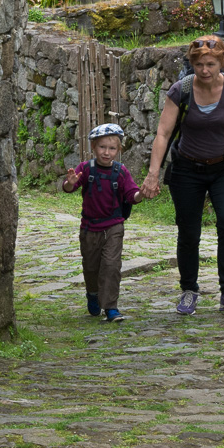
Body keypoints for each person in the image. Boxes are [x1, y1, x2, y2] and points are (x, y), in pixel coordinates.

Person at [140, 36, 224, 316]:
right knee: (189, 230)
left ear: (222, 62)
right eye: (199, 64)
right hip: (187, 170)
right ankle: (188, 290)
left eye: (211, 64)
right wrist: (152, 174)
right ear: (191, 64)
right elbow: (163, 133)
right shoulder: (180, 90)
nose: (205, 70)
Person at [62, 122, 145, 323]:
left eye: (112, 148)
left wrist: (142, 194)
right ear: (93, 147)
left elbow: (131, 195)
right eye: (102, 147)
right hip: (90, 228)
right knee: (91, 267)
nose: (106, 152)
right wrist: (70, 183)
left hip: (114, 225)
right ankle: (92, 293)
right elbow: (69, 188)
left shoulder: (121, 172)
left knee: (111, 265)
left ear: (118, 150)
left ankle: (111, 308)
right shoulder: (86, 169)